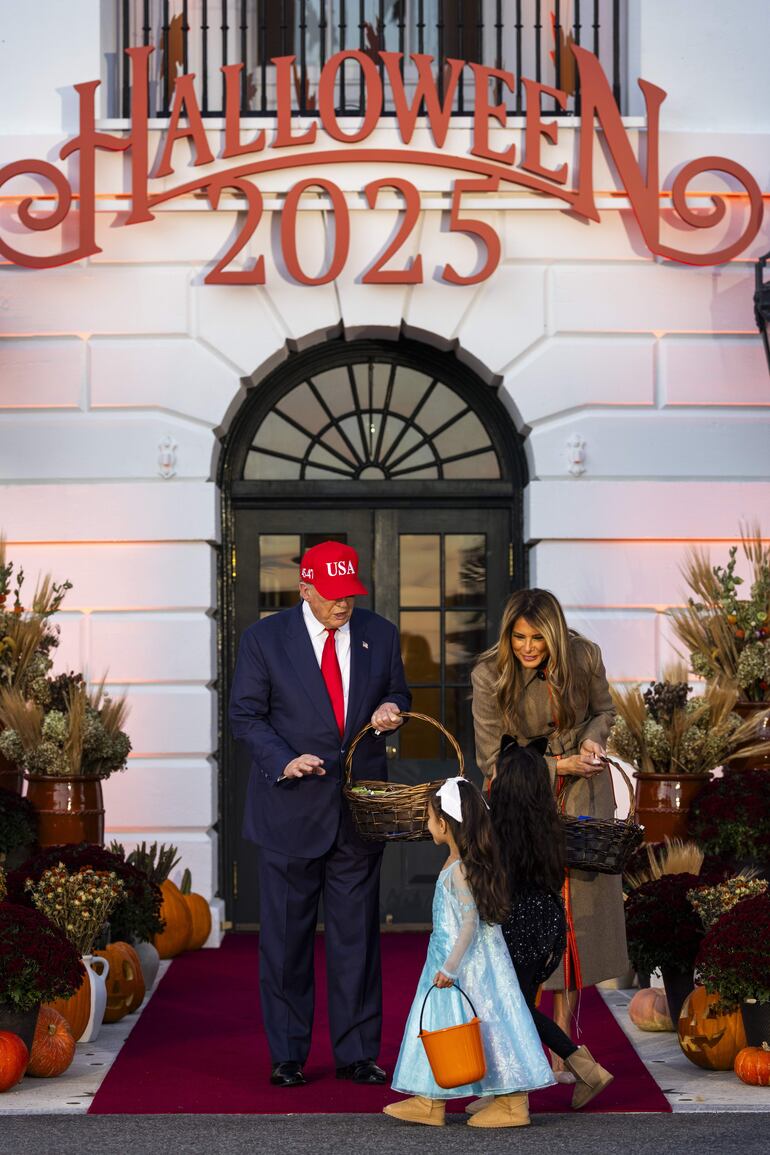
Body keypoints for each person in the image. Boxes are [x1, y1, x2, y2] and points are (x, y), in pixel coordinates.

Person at [229, 540, 411, 1088]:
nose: (343, 605)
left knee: (357, 938)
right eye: (332, 595)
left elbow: (398, 690)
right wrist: (284, 760)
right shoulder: (264, 639)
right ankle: (288, 1055)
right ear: (304, 588)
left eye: (350, 594)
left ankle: (358, 1053)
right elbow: (246, 715)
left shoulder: (379, 634)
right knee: (285, 942)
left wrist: (392, 709)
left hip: (357, 814)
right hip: (289, 812)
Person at [470, 587, 629, 1079]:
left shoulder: (585, 656)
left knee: (575, 913)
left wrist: (591, 740)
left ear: (555, 634)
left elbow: (605, 711)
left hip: (585, 793)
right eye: (518, 636)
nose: (527, 647)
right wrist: (559, 764)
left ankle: (565, 1043)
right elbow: (491, 760)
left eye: (537, 637)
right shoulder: (488, 673)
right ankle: (525, 1036)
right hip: (522, 802)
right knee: (525, 920)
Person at [383, 778, 555, 1129]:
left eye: (429, 818)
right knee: (454, 1024)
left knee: (480, 1022)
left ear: (444, 824)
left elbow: (468, 924)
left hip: (463, 964)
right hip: (469, 961)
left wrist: (449, 967)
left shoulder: (458, 871)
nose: (427, 825)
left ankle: (511, 1102)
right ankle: (433, 1099)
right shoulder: (463, 863)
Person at [488, 740, 613, 1110]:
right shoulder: (547, 823)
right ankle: (512, 1088)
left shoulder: (501, 827)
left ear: (508, 782)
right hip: (547, 925)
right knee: (519, 1006)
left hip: (519, 926)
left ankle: (579, 1069)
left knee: (515, 1008)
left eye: (496, 772)